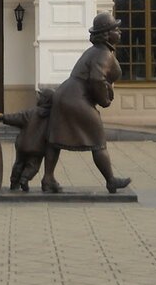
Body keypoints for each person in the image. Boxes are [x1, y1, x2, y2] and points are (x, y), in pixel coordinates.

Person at [41, 12, 132, 194]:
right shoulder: (103, 54)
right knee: (98, 139)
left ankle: (48, 178)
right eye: (116, 28)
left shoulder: (95, 51)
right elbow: (97, 80)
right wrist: (104, 100)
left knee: (55, 138)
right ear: (106, 34)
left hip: (65, 94)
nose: (119, 31)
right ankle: (111, 180)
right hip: (76, 98)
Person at [0, 88, 54, 191]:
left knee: (19, 163)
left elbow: (17, 117)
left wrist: (3, 117)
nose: (38, 98)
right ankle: (24, 178)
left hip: (22, 144)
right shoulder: (52, 117)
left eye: (40, 97)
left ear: (45, 100)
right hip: (38, 147)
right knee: (33, 165)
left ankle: (14, 182)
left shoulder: (31, 112)